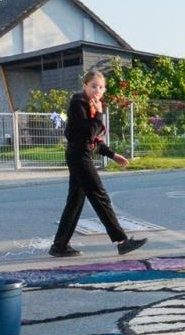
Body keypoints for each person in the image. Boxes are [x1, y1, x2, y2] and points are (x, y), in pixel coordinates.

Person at [49, 70, 147, 258]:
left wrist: (112, 154)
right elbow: (87, 134)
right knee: (100, 196)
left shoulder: (92, 105)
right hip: (79, 157)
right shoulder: (78, 104)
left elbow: (93, 140)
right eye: (93, 86)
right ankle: (121, 241)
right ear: (85, 86)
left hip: (80, 154)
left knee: (75, 202)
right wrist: (99, 116)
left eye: (101, 87)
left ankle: (59, 245)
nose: (97, 90)